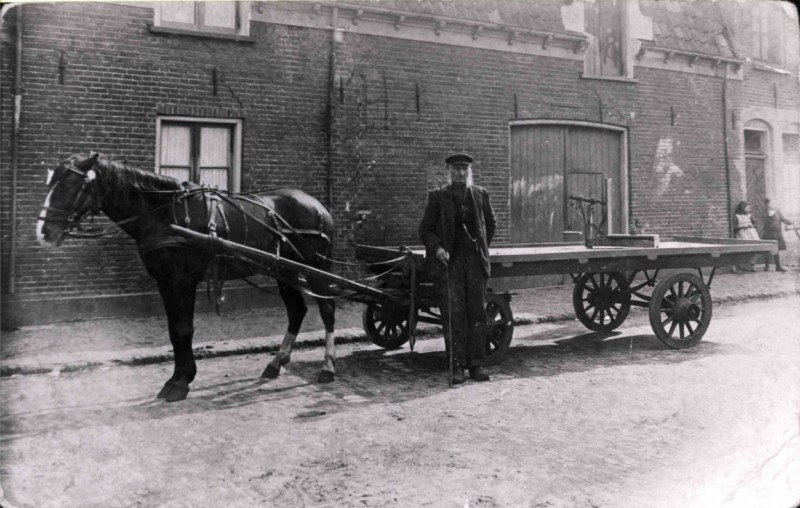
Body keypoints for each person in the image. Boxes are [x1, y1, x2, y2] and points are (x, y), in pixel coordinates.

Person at [419, 152, 496, 384]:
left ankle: (477, 365)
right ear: (449, 172)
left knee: (477, 314)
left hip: (474, 265)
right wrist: (439, 248)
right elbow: (425, 230)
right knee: (454, 315)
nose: (460, 173)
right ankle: (456, 366)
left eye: (464, 169)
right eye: (456, 169)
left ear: (469, 172)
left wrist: (480, 249)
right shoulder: (437, 197)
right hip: (450, 265)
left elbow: (490, 225)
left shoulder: (480, 195)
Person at [761, 198, 793, 272]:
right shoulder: (765, 211)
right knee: (767, 249)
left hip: (777, 233)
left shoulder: (777, 210)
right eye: (769, 203)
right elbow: (765, 222)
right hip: (768, 233)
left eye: (773, 203)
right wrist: (769, 216)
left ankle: (778, 266)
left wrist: (788, 222)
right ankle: (766, 265)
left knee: (777, 249)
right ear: (767, 204)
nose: (771, 205)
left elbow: (782, 218)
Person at [733, 200, 758, 272]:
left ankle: (752, 265)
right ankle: (742, 266)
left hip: (751, 234)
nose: (749, 209)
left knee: (753, 249)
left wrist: (753, 225)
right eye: (747, 208)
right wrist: (742, 227)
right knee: (744, 250)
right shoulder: (736, 216)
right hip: (742, 234)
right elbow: (734, 227)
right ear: (742, 208)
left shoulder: (749, 215)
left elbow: (755, 223)